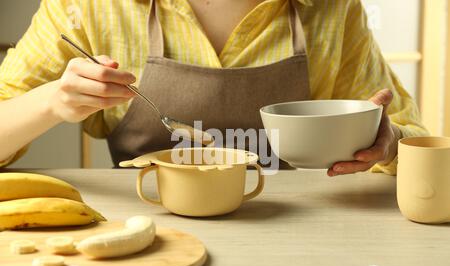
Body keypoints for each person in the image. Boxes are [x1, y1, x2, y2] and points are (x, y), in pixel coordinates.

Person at [0, 0, 427, 175]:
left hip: (299, 246)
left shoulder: (334, 10)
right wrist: (52, 103)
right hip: (149, 244)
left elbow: (418, 146)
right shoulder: (90, 7)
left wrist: (389, 143)